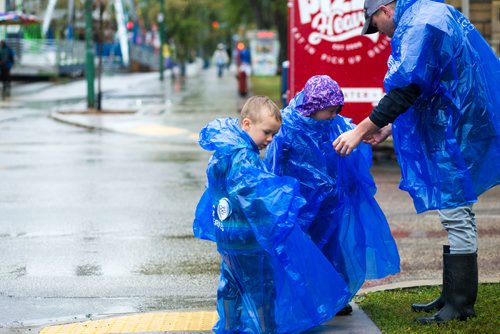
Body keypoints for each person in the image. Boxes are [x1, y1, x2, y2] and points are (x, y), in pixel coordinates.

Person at [333, 0, 500, 324]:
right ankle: (451, 295)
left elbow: (407, 89)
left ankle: (461, 303)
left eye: (375, 25)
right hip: (456, 123)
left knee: (456, 209)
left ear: (384, 10)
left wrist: (361, 130)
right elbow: (428, 84)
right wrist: (388, 126)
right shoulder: (424, 17)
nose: (379, 34)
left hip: (457, 127)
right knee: (454, 209)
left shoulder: (421, 24)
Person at [193, 96, 350, 333]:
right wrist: (284, 202)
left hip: (227, 235)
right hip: (249, 237)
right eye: (266, 132)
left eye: (274, 135)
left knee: (231, 282)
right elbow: (254, 195)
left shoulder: (223, 150)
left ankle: (228, 326)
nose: (269, 140)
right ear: (247, 124)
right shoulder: (244, 156)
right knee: (262, 286)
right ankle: (266, 328)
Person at [265, 75, 400, 316]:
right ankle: (303, 298)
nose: (334, 115)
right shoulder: (287, 127)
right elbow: (274, 166)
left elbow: (355, 141)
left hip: (329, 205)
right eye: (329, 111)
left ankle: (335, 297)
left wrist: (371, 133)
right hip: (299, 205)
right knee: (303, 249)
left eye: (337, 110)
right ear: (313, 108)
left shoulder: (334, 124)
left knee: (332, 249)